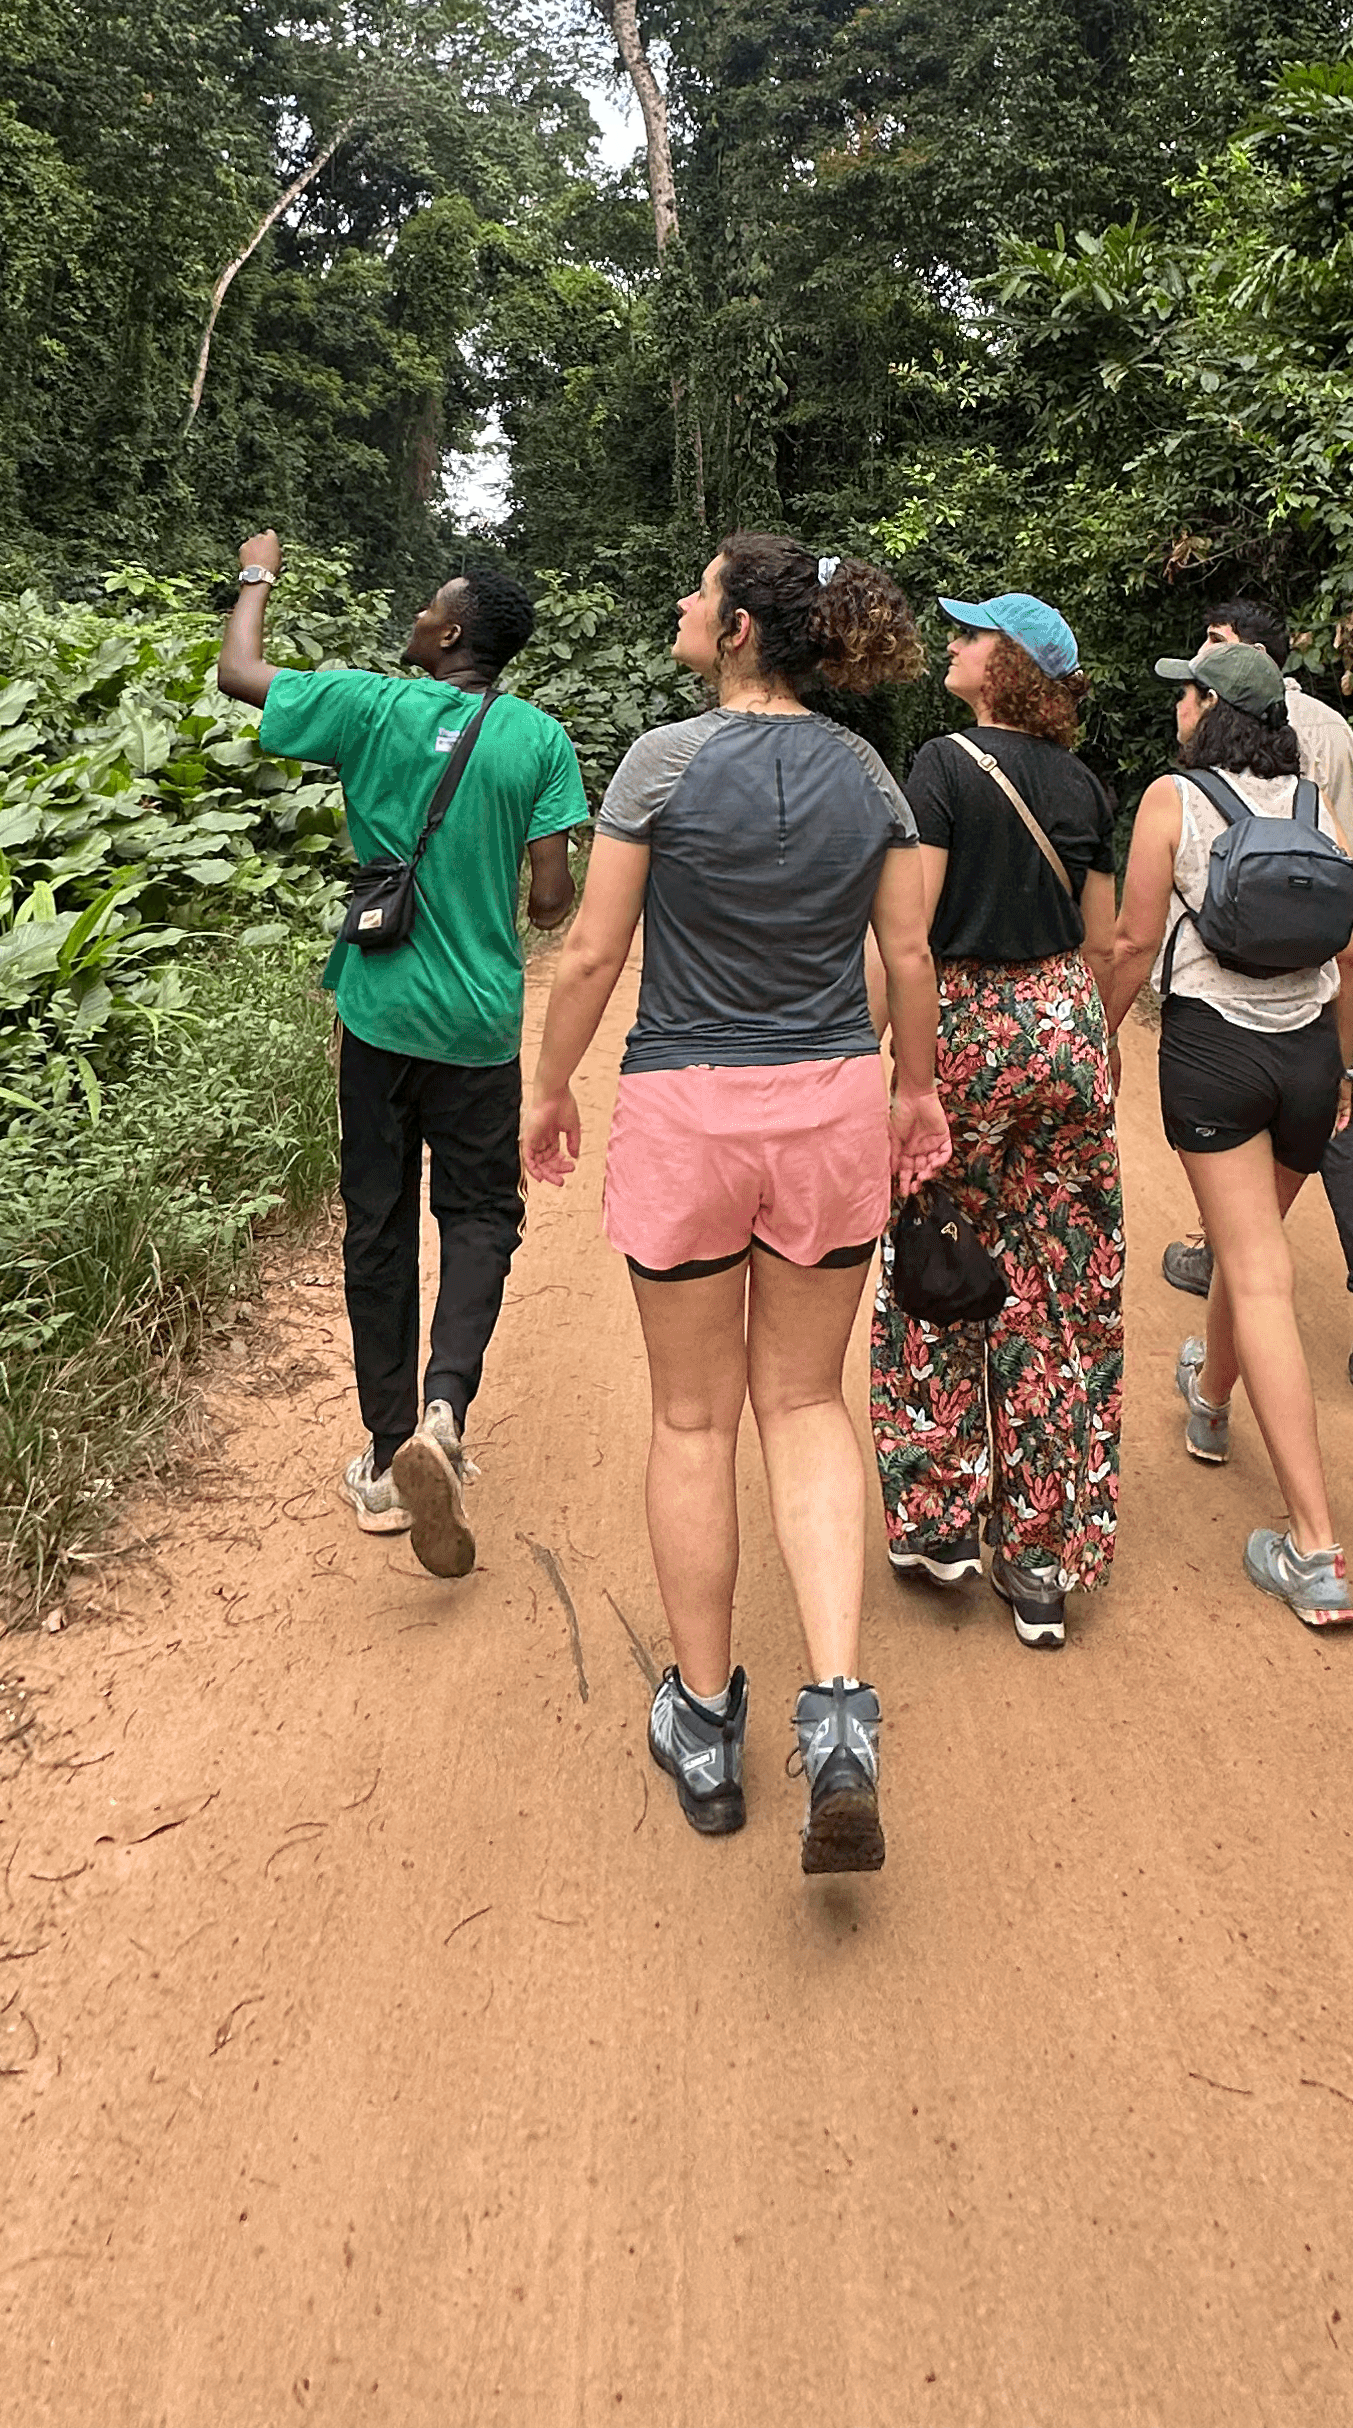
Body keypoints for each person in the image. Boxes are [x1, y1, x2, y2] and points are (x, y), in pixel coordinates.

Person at [522, 535, 949, 1873]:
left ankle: (705, 1722)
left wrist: (544, 1088)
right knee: (812, 1404)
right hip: (826, 1109)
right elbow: (907, 954)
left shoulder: (662, 763)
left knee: (695, 1418)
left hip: (687, 1111)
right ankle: (838, 1716)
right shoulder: (871, 774)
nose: (683, 607)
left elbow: (593, 950)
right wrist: (916, 1095)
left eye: (700, 593)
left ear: (743, 631)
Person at [218, 545, 589, 1581]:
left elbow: (238, 675)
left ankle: (387, 1461)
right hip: (478, 1029)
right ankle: (446, 1407)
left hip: (378, 1018)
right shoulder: (539, 740)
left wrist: (257, 578)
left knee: (377, 1222)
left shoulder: (371, 708)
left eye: (430, 610)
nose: (417, 618)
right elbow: (553, 900)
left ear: (454, 636)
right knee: (479, 1218)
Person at [871, 589, 1122, 1651]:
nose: (956, 644)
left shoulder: (940, 766)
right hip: (1067, 1023)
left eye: (971, 636)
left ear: (1006, 667)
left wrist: (887, 1067)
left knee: (937, 1257)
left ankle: (940, 1524)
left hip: (967, 1025)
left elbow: (911, 936)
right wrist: (1069, 1039)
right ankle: (1045, 1560)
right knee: (1065, 1290)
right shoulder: (1086, 785)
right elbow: (1106, 945)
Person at [1101, 641, 1353, 1634]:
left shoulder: (1175, 798)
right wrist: (1340, 1068)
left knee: (1254, 1273)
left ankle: (1315, 1546)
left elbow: (1130, 941)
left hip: (1214, 1051)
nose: (1178, 707)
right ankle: (1210, 1402)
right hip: (1303, 1059)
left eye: (1186, 694)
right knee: (1252, 1256)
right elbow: (1350, 950)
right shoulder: (1311, 804)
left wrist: (1098, 1033)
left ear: (1208, 707)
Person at [1159, 593, 1353, 1400]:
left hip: (1225, 1007)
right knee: (1336, 1121)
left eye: (1215, 645)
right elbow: (1350, 862)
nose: (1202, 658)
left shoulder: (1208, 765)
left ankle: (1224, 1348)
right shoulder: (1331, 731)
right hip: (1317, 978)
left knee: (1256, 1182)